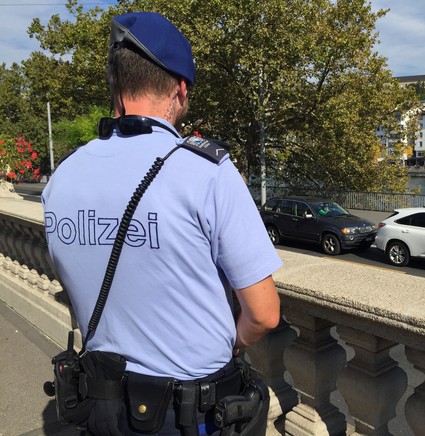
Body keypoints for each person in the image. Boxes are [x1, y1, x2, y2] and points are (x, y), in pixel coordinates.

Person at [42, 11, 281, 436]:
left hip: (98, 407)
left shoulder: (64, 175)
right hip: (188, 415)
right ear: (180, 90)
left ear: (116, 87)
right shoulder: (206, 170)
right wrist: (231, 341)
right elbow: (263, 314)